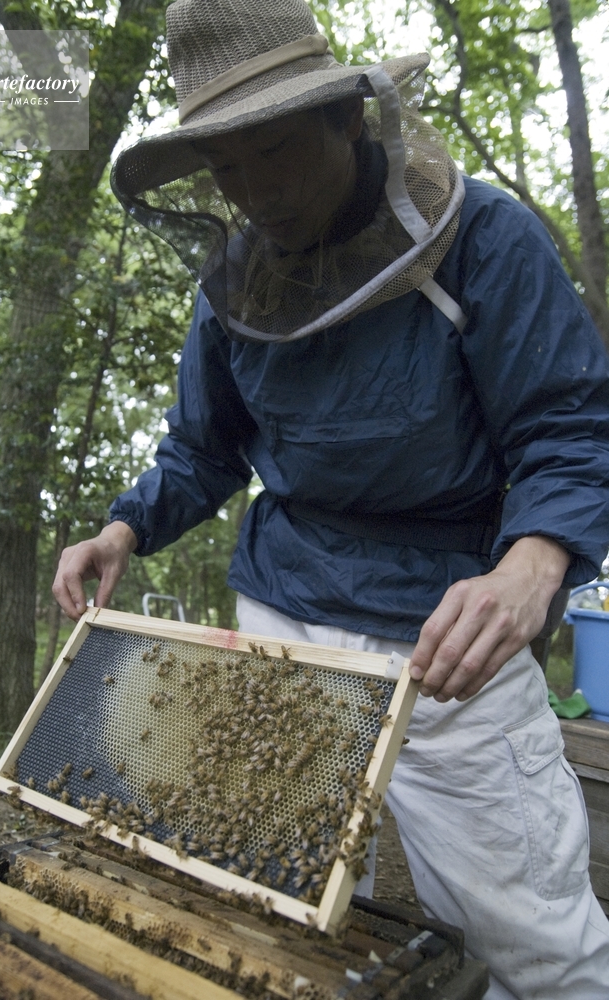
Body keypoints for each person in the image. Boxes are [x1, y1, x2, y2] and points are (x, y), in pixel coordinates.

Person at [53, 0, 609, 995]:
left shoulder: (484, 238)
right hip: (282, 621)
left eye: (273, 152)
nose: (254, 191)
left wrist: (536, 563)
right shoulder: (234, 283)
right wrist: (126, 524)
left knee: (534, 939)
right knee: (274, 908)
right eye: (226, 168)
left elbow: (569, 427)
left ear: (347, 118)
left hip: (448, 633)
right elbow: (204, 446)